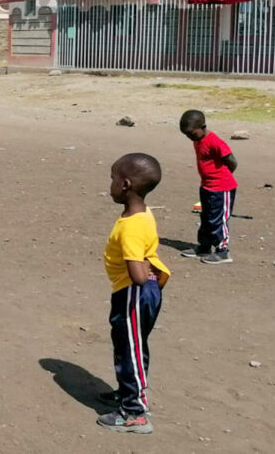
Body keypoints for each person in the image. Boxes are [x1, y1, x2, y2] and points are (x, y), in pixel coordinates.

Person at [97, 153, 170, 434]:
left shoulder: (131, 227)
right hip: (135, 293)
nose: (110, 184)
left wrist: (138, 266)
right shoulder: (142, 213)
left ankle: (134, 412)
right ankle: (126, 392)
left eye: (112, 179)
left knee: (132, 350)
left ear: (125, 184)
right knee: (129, 346)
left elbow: (138, 275)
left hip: (133, 293)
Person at [179, 110, 237, 265]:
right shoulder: (197, 140)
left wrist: (222, 178)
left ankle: (223, 251)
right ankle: (204, 247)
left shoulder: (214, 141)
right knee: (206, 217)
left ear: (202, 127)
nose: (189, 137)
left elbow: (232, 161)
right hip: (207, 186)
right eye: (186, 135)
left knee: (218, 220)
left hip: (222, 188)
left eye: (191, 134)